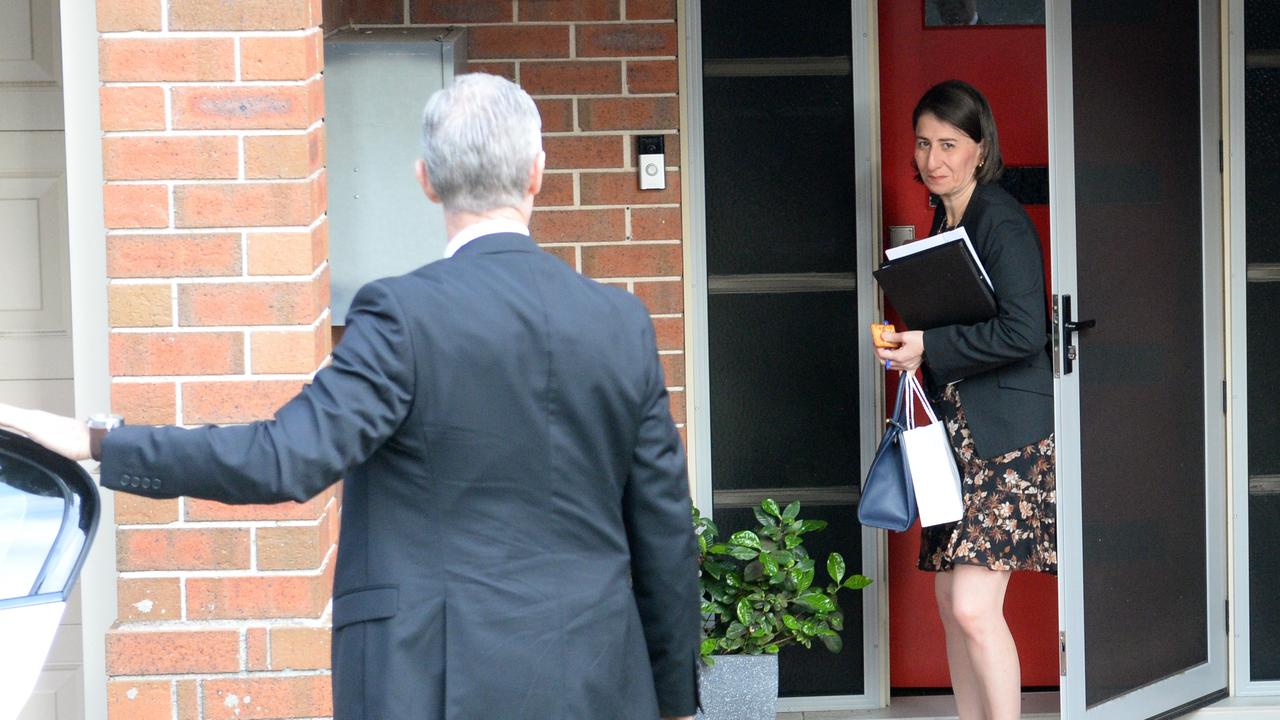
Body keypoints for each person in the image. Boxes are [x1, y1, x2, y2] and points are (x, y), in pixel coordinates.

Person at [0, 73, 699, 720]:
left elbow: (281, 459)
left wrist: (96, 440)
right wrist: (669, 695)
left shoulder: (403, 315)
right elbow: (664, 528)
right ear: (538, 175)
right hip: (596, 679)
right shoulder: (622, 323)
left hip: (431, 680)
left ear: (426, 181)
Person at [875, 80, 1056, 720]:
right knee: (952, 608)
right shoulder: (944, 217)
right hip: (957, 436)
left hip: (1006, 438)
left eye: (949, 144)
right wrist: (912, 347)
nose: (933, 159)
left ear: (980, 149)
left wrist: (930, 344)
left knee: (975, 608)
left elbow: (1023, 331)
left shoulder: (997, 217)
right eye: (924, 143)